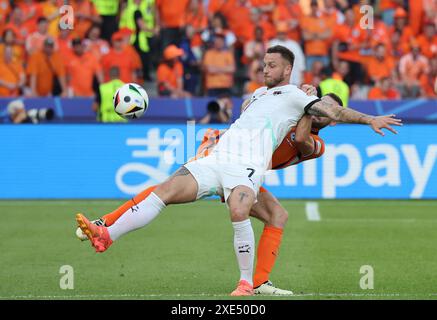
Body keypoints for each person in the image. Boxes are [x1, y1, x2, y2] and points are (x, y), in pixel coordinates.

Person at [76, 45, 401, 296]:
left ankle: (249, 283)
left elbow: (309, 131)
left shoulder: (309, 125)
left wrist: (355, 115)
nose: (264, 70)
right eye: (263, 65)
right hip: (222, 153)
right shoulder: (266, 93)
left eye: (272, 66)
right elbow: (250, 110)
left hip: (247, 168)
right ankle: (107, 231)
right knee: (167, 190)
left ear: (288, 69)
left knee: (259, 213)